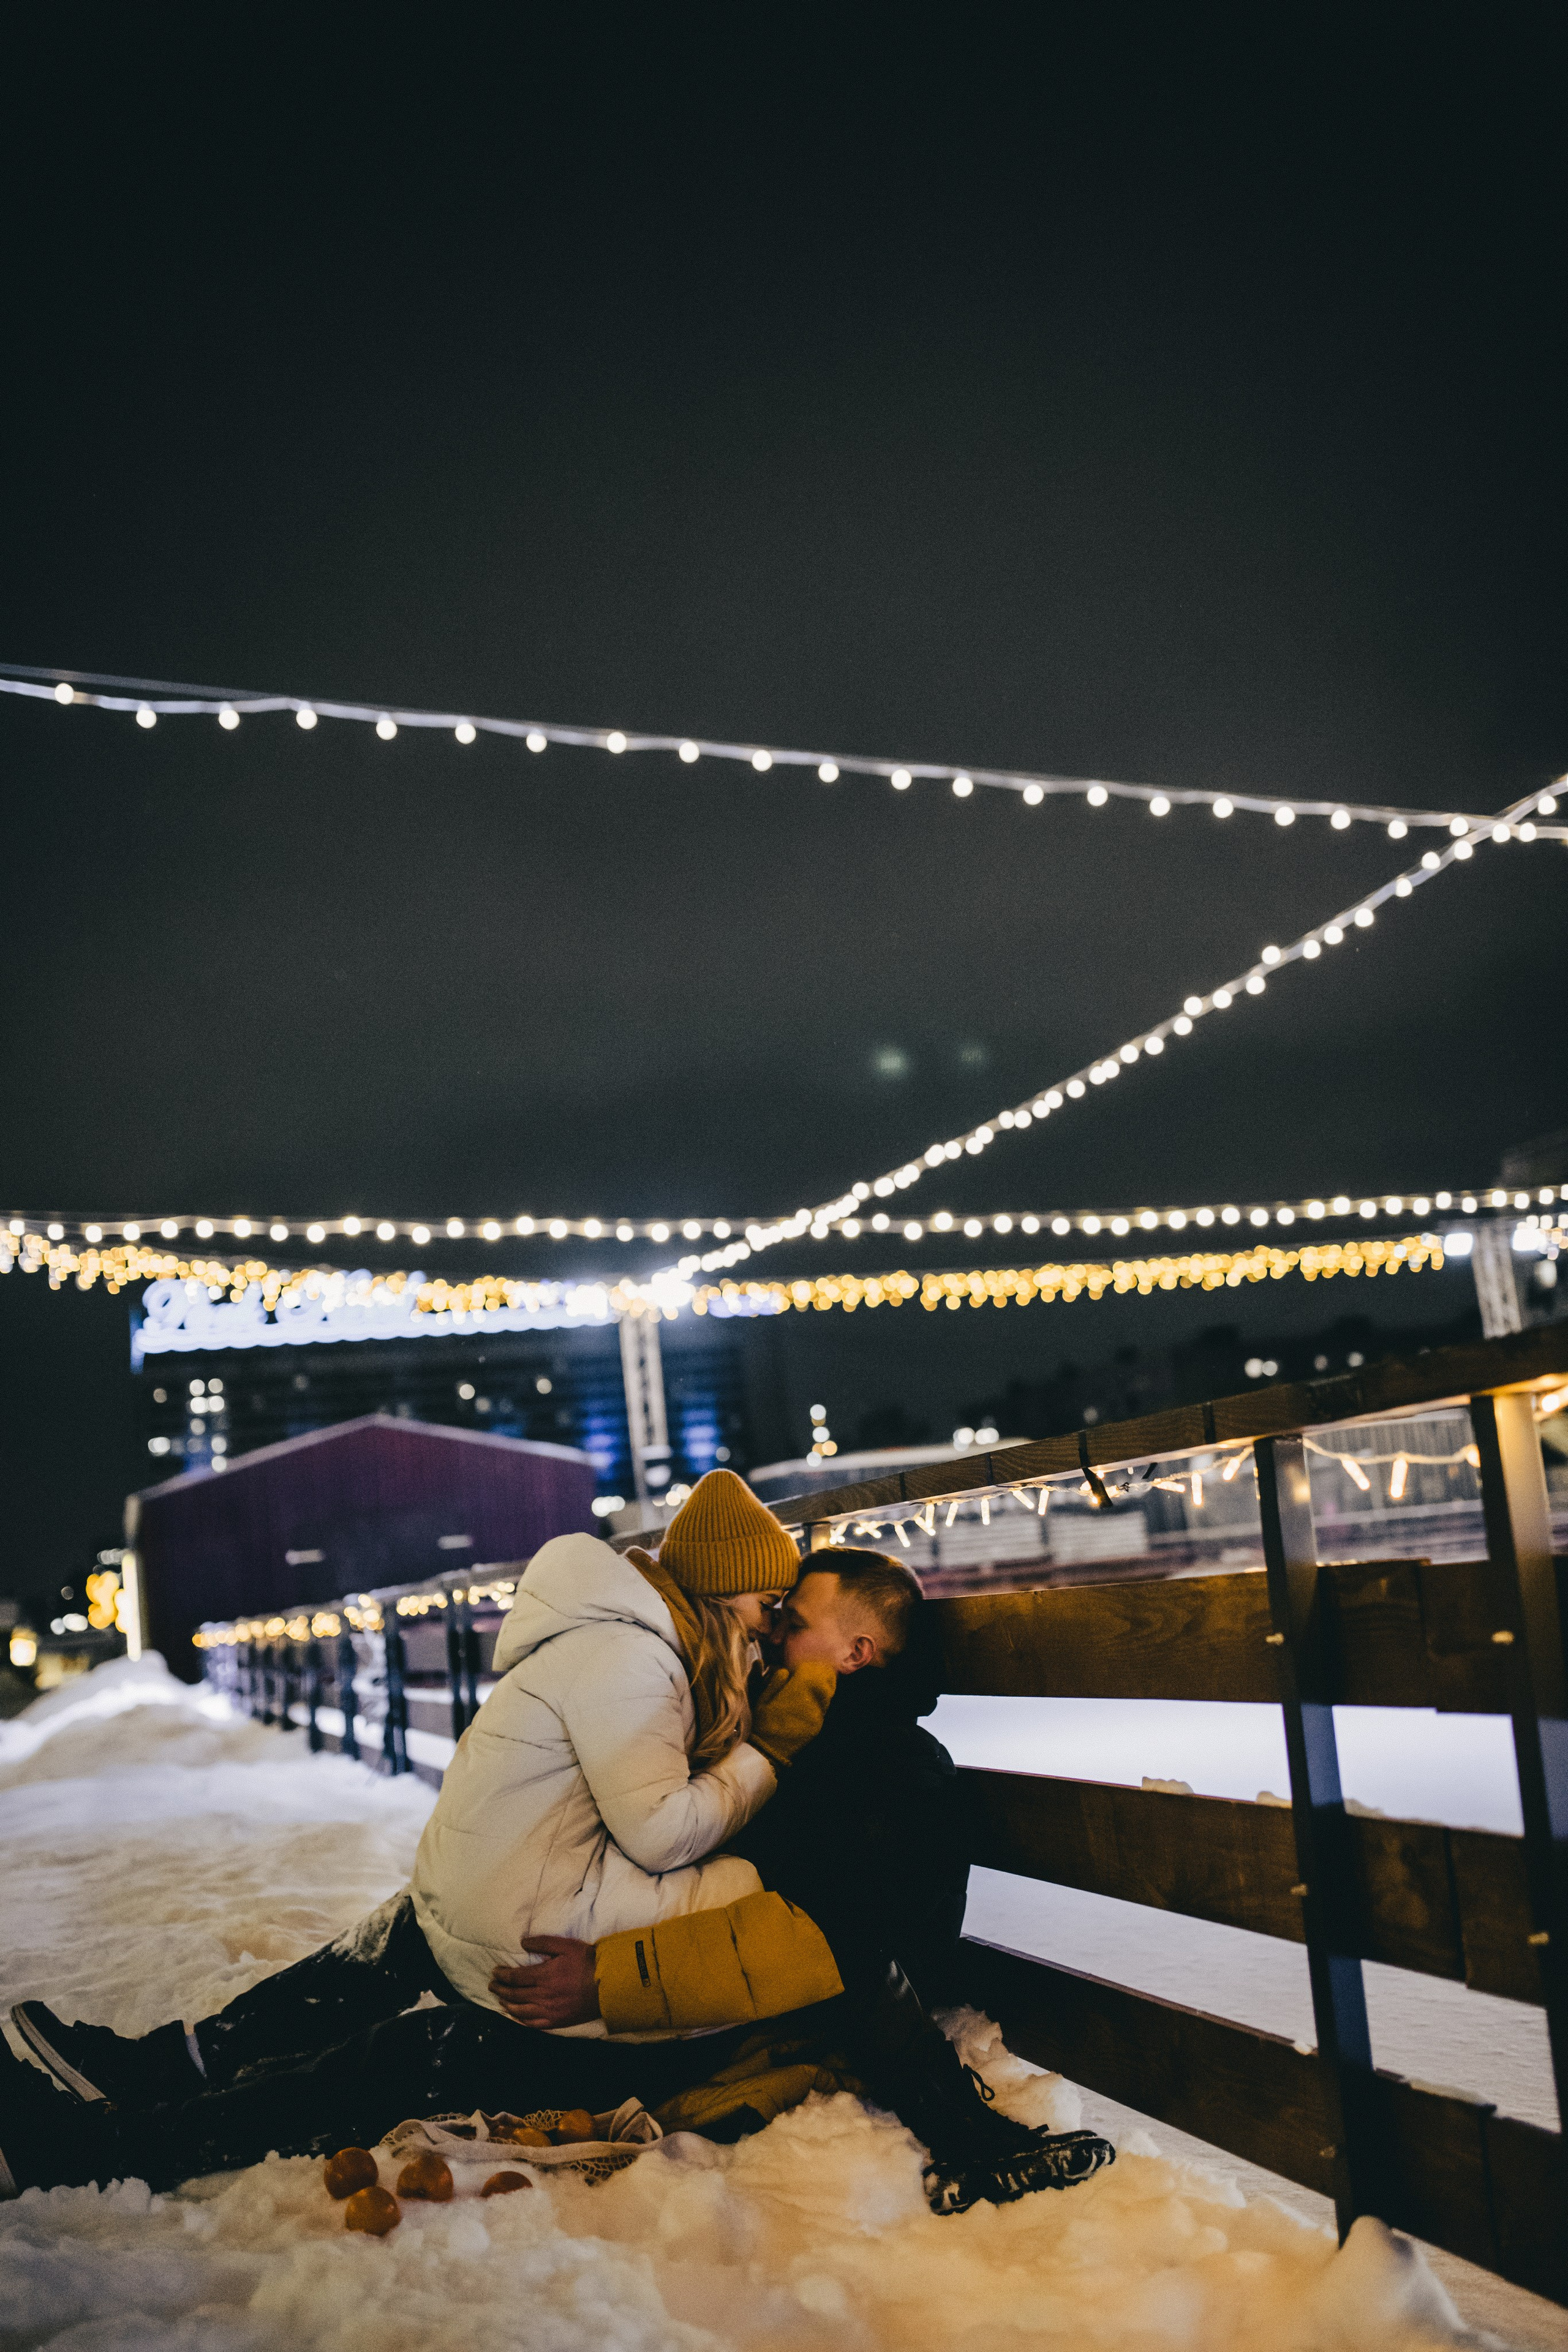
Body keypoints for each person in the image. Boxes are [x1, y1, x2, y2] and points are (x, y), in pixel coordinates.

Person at [4, 1496, 1114, 2211]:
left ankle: (119, 2149)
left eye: (793, 1620)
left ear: (860, 1651)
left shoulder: (885, 1777)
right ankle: (158, 2076)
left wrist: (615, 1975)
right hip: (672, 1991)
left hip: (708, 2026)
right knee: (415, 1929)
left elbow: (828, 1948)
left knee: (424, 2059)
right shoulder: (792, 1729)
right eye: (769, 1614)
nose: (770, 1633)